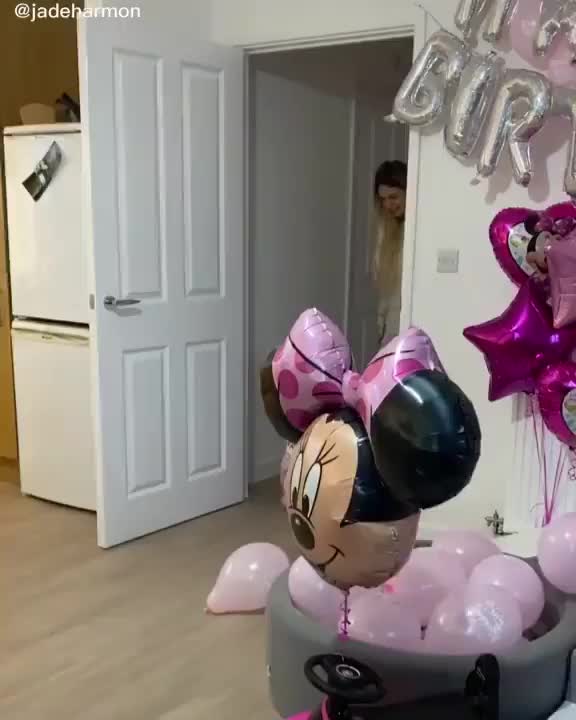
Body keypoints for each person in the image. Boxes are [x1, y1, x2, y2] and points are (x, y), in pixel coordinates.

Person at [372, 160, 407, 344]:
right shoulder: (385, 231)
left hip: (406, 324)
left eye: (393, 197)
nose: (387, 205)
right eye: (383, 199)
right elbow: (385, 288)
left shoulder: (416, 231)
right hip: (388, 326)